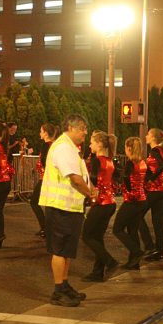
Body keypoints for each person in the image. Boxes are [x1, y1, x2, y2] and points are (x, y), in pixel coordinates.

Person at [38, 114, 96, 307]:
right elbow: (74, 177)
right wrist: (90, 193)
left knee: (67, 251)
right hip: (59, 206)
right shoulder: (63, 147)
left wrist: (90, 188)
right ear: (70, 128)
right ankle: (57, 291)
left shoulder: (70, 147)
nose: (85, 132)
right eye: (82, 128)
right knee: (60, 250)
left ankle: (64, 286)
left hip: (70, 206)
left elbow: (81, 174)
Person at [81, 131, 119, 282]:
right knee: (97, 237)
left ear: (100, 144)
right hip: (109, 203)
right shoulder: (109, 160)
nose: (89, 145)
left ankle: (110, 261)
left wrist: (86, 191)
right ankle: (98, 272)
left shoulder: (97, 160)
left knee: (87, 236)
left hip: (101, 203)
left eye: (92, 142)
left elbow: (94, 181)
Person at [114, 137, 149, 270]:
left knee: (117, 228)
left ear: (129, 148)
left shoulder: (130, 163)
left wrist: (128, 190)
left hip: (132, 200)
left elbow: (126, 177)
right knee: (132, 230)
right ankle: (134, 262)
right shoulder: (141, 162)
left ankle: (136, 252)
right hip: (142, 200)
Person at [143, 128, 163, 261]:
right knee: (157, 220)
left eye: (148, 134)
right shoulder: (160, 150)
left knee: (138, 215)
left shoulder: (155, 150)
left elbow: (162, 166)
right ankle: (159, 251)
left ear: (153, 138)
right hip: (162, 189)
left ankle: (150, 246)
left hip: (155, 189)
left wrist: (151, 179)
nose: (146, 136)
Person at [30, 124, 55, 237]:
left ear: (45, 133)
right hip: (52, 178)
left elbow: (44, 158)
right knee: (49, 204)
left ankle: (45, 227)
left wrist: (45, 168)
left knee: (34, 202)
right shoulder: (54, 145)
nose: (40, 133)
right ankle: (49, 228)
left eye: (41, 131)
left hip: (45, 178)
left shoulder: (46, 145)